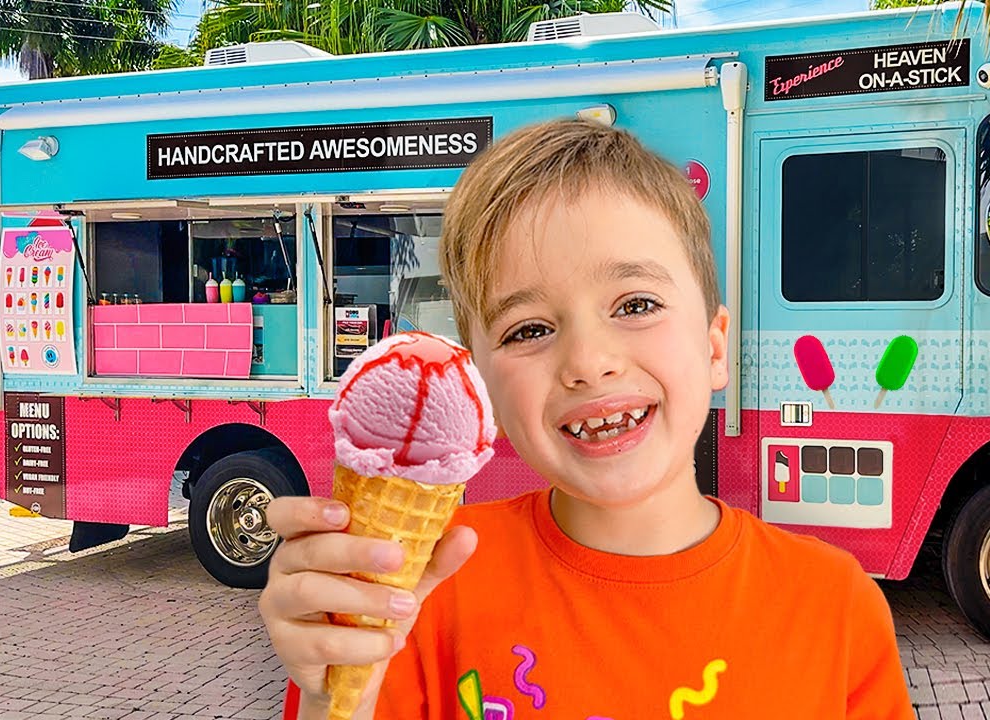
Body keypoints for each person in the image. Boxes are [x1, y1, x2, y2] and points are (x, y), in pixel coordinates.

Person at [259, 119, 915, 720]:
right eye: (528, 329)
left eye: (635, 304)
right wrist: (334, 699)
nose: (588, 363)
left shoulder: (838, 609)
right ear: (484, 391)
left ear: (715, 348)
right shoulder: (413, 593)